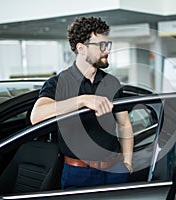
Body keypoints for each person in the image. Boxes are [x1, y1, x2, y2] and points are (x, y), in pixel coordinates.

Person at [30, 16, 133, 189]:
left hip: (115, 170)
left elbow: (124, 124)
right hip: (78, 173)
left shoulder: (112, 83)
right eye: (101, 46)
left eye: (107, 45)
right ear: (81, 48)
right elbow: (37, 116)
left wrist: (127, 162)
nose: (107, 51)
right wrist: (82, 100)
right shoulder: (57, 83)